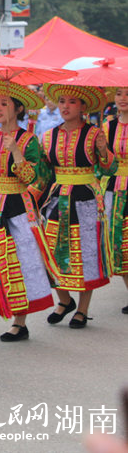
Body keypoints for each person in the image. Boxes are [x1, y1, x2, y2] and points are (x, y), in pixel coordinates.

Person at [0, 80, 57, 342]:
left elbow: (33, 178)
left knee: (19, 261)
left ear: (19, 108)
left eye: (4, 104)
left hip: (17, 206)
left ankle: (19, 322)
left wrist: (16, 153)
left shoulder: (29, 140)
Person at [36, 84, 115, 328]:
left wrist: (103, 149)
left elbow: (108, 170)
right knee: (48, 249)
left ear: (83, 106)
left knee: (85, 253)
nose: (65, 106)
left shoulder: (94, 134)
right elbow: (42, 172)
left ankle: (82, 309)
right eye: (61, 101)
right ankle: (64, 299)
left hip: (86, 199)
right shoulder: (48, 135)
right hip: (57, 198)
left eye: (72, 102)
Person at [104, 87, 128, 315]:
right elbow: (103, 163)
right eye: (119, 93)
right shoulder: (108, 126)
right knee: (119, 243)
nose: (122, 98)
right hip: (114, 189)